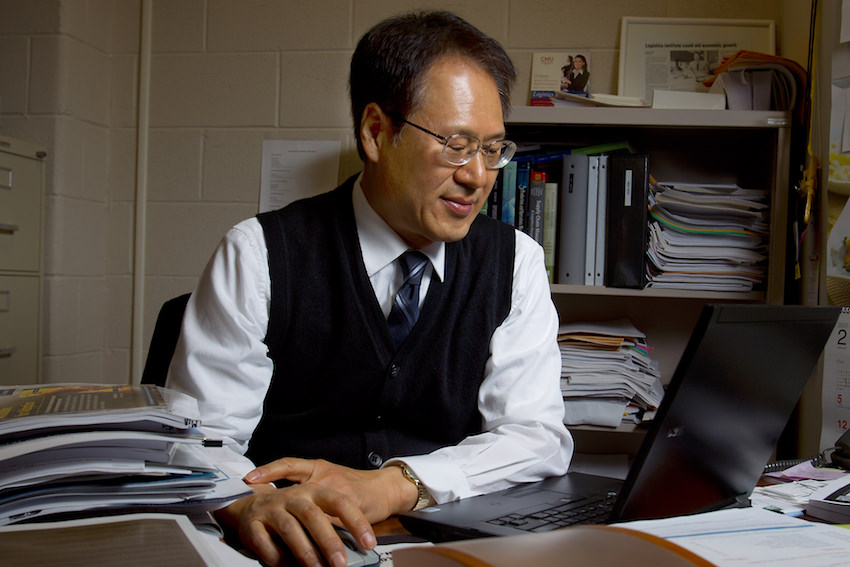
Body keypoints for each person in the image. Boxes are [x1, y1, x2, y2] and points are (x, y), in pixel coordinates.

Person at [167, 10, 572, 567]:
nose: (478, 175)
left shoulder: (515, 263)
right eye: (456, 144)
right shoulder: (258, 253)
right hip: (292, 553)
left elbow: (536, 437)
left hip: (439, 549)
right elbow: (198, 442)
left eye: (493, 149)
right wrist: (245, 502)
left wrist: (394, 484)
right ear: (377, 132)